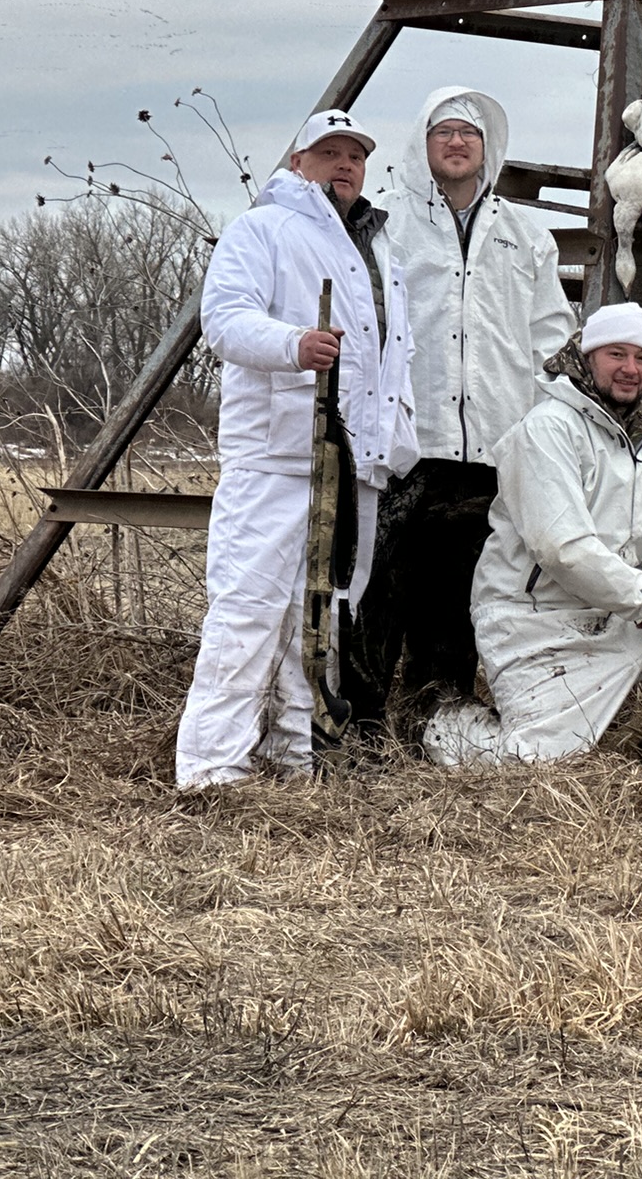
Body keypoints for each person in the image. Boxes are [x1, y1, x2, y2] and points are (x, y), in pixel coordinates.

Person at [177, 110, 419, 789]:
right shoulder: (263, 230)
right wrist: (292, 346)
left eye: (356, 155)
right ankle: (210, 771)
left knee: (320, 619)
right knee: (249, 611)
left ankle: (295, 756)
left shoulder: (376, 249)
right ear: (297, 164)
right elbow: (222, 321)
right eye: (329, 153)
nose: (345, 165)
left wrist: (398, 442)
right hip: (279, 459)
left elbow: (397, 359)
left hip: (354, 467)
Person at [421, 302, 642, 768]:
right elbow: (563, 548)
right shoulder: (546, 429)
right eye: (615, 354)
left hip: (625, 613)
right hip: (538, 621)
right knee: (533, 766)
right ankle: (444, 724)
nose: (629, 369)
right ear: (587, 357)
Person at [348, 86, 572, 736]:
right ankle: (361, 719)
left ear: (487, 148)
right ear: (423, 144)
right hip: (408, 441)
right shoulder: (386, 225)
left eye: (468, 134)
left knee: (462, 592)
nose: (456, 142)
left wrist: (538, 423)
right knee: (380, 584)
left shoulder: (524, 234)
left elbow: (549, 336)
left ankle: (432, 716)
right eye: (443, 132)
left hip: (491, 449)